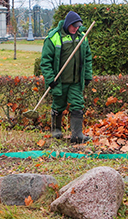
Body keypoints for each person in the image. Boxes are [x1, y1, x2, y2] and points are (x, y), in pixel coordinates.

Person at [40, 11, 93, 144]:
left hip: (76, 81)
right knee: (58, 105)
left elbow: (87, 57)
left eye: (78, 27)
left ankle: (77, 135)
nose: (76, 29)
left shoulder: (82, 37)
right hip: (59, 81)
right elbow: (45, 61)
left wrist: (87, 75)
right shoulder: (54, 37)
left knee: (77, 104)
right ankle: (56, 130)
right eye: (74, 26)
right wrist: (50, 79)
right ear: (68, 24)